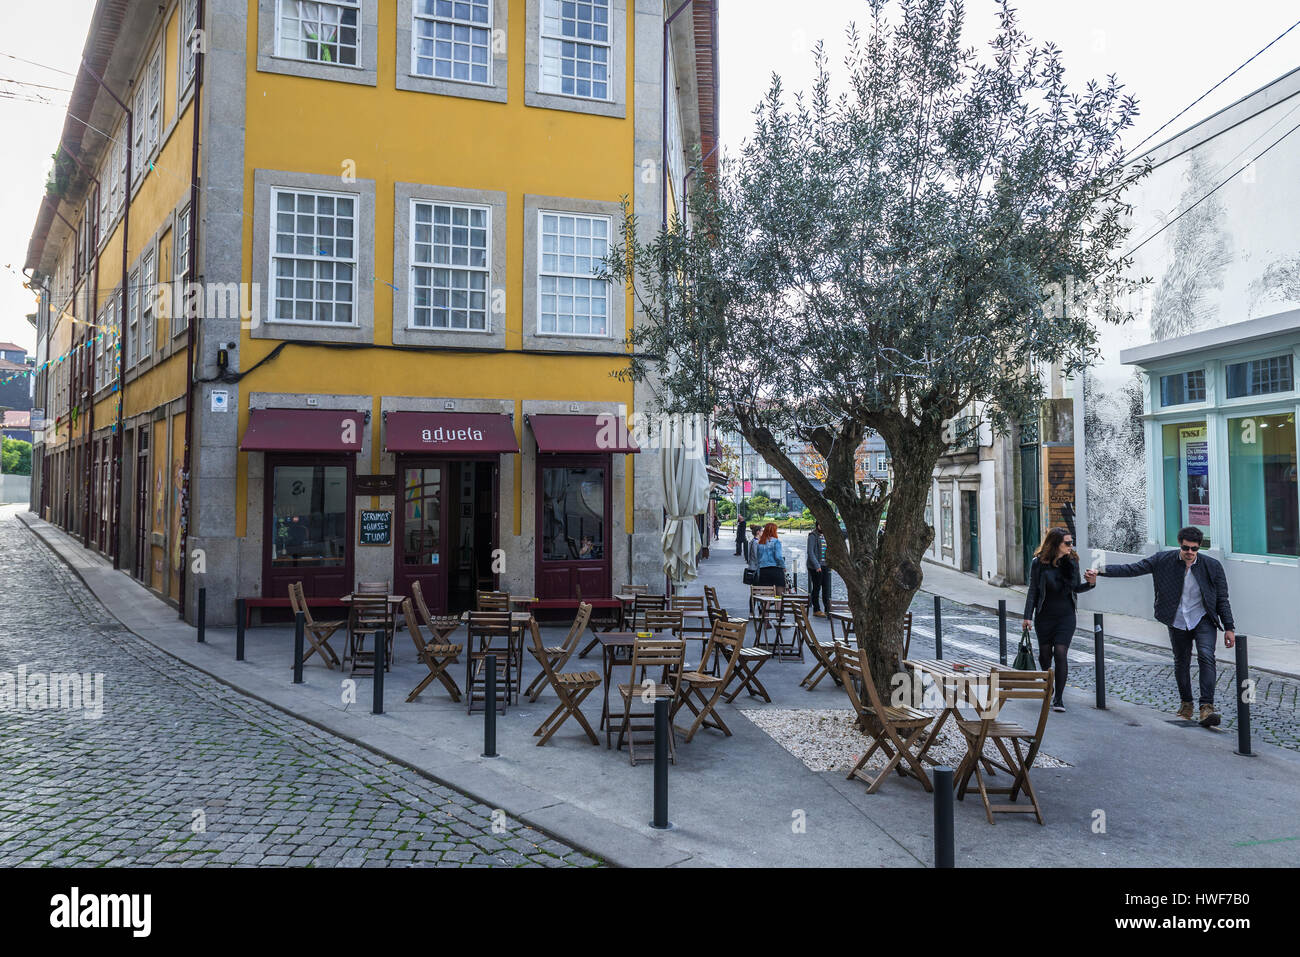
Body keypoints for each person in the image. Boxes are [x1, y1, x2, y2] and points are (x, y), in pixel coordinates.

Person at [1094, 526, 1235, 728]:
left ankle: (1207, 708)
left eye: (1194, 549)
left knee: (1206, 656)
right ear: (1180, 544)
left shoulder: (1212, 566)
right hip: (1176, 618)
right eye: (1186, 548)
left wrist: (1229, 627)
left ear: (1199, 548)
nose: (1190, 552)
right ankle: (1186, 704)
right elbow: (1132, 569)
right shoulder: (1163, 560)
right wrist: (1100, 570)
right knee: (1182, 661)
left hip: (1203, 617)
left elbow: (1222, 598)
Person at [1022, 527, 1094, 713]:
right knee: (1045, 655)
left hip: (1066, 616)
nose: (1071, 546)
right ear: (1056, 544)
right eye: (1067, 543)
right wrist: (1027, 617)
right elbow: (1033, 592)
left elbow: (1076, 588)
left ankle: (1059, 698)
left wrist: (1091, 584)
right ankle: (1049, 685)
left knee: (1061, 653)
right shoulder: (1038, 563)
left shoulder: (1072, 562)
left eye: (1071, 542)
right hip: (1044, 616)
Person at [806, 522, 829, 616]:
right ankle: (816, 609)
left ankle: (828, 609)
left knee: (826, 588)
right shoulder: (813, 536)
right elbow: (810, 552)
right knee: (816, 587)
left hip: (825, 565)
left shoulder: (826, 536)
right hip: (815, 567)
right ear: (817, 525)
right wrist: (817, 566)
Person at [755, 522, 785, 592]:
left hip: (764, 570)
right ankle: (777, 603)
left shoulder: (760, 542)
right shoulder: (776, 542)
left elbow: (758, 559)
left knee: (767, 595)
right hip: (776, 570)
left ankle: (767, 603)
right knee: (779, 594)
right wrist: (783, 566)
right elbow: (778, 557)